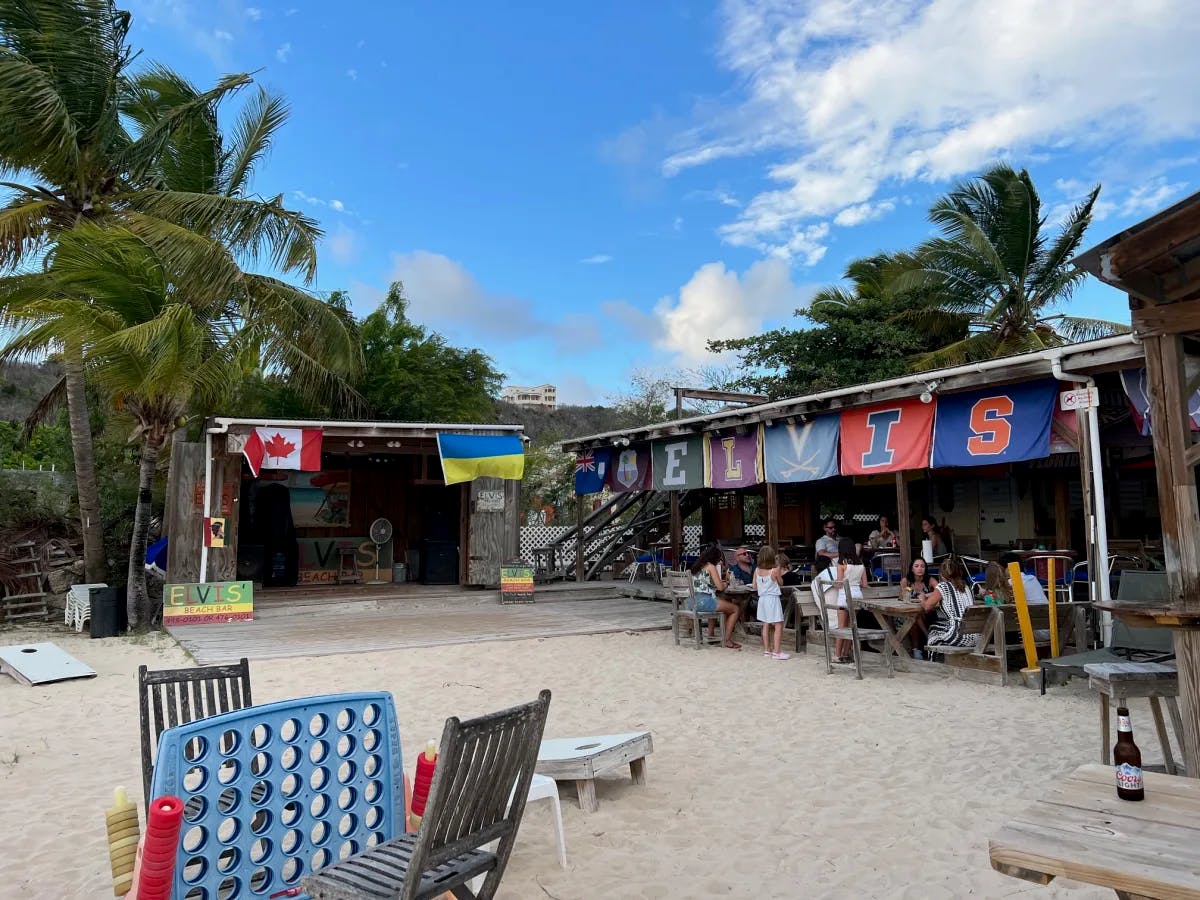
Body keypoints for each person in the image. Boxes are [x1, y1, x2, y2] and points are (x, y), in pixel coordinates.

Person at [814, 538, 868, 663]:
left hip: (844, 597)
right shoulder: (860, 564)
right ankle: (846, 653)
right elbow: (864, 584)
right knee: (851, 626)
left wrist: (833, 584)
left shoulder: (841, 564)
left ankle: (837, 655)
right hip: (858, 596)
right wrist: (855, 584)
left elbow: (839, 583)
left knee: (841, 627)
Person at [689, 545, 742, 650]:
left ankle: (710, 635)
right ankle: (727, 640)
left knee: (719, 603)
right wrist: (726, 584)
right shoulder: (711, 567)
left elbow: (705, 584)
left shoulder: (698, 566)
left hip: (692, 601)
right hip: (703, 601)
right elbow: (720, 588)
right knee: (735, 609)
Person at [920, 556, 976, 652]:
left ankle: (934, 662)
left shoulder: (943, 586)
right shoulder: (967, 587)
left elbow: (926, 607)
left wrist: (922, 598)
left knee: (933, 629)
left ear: (942, 575)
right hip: (976, 635)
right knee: (939, 626)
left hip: (959, 636)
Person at [900, 557, 939, 658]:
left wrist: (926, 595)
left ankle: (916, 649)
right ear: (912, 569)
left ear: (925, 568)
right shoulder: (906, 581)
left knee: (915, 616)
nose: (920, 568)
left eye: (922, 566)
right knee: (914, 616)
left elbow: (940, 590)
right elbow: (901, 596)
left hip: (927, 612)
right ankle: (927, 638)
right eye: (916, 566)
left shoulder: (929, 580)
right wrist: (906, 594)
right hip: (908, 612)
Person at [755, 545, 788, 660]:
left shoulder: (757, 570)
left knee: (766, 624)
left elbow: (754, 586)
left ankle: (767, 650)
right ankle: (777, 651)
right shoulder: (774, 570)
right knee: (778, 624)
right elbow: (781, 582)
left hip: (762, 599)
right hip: (772, 599)